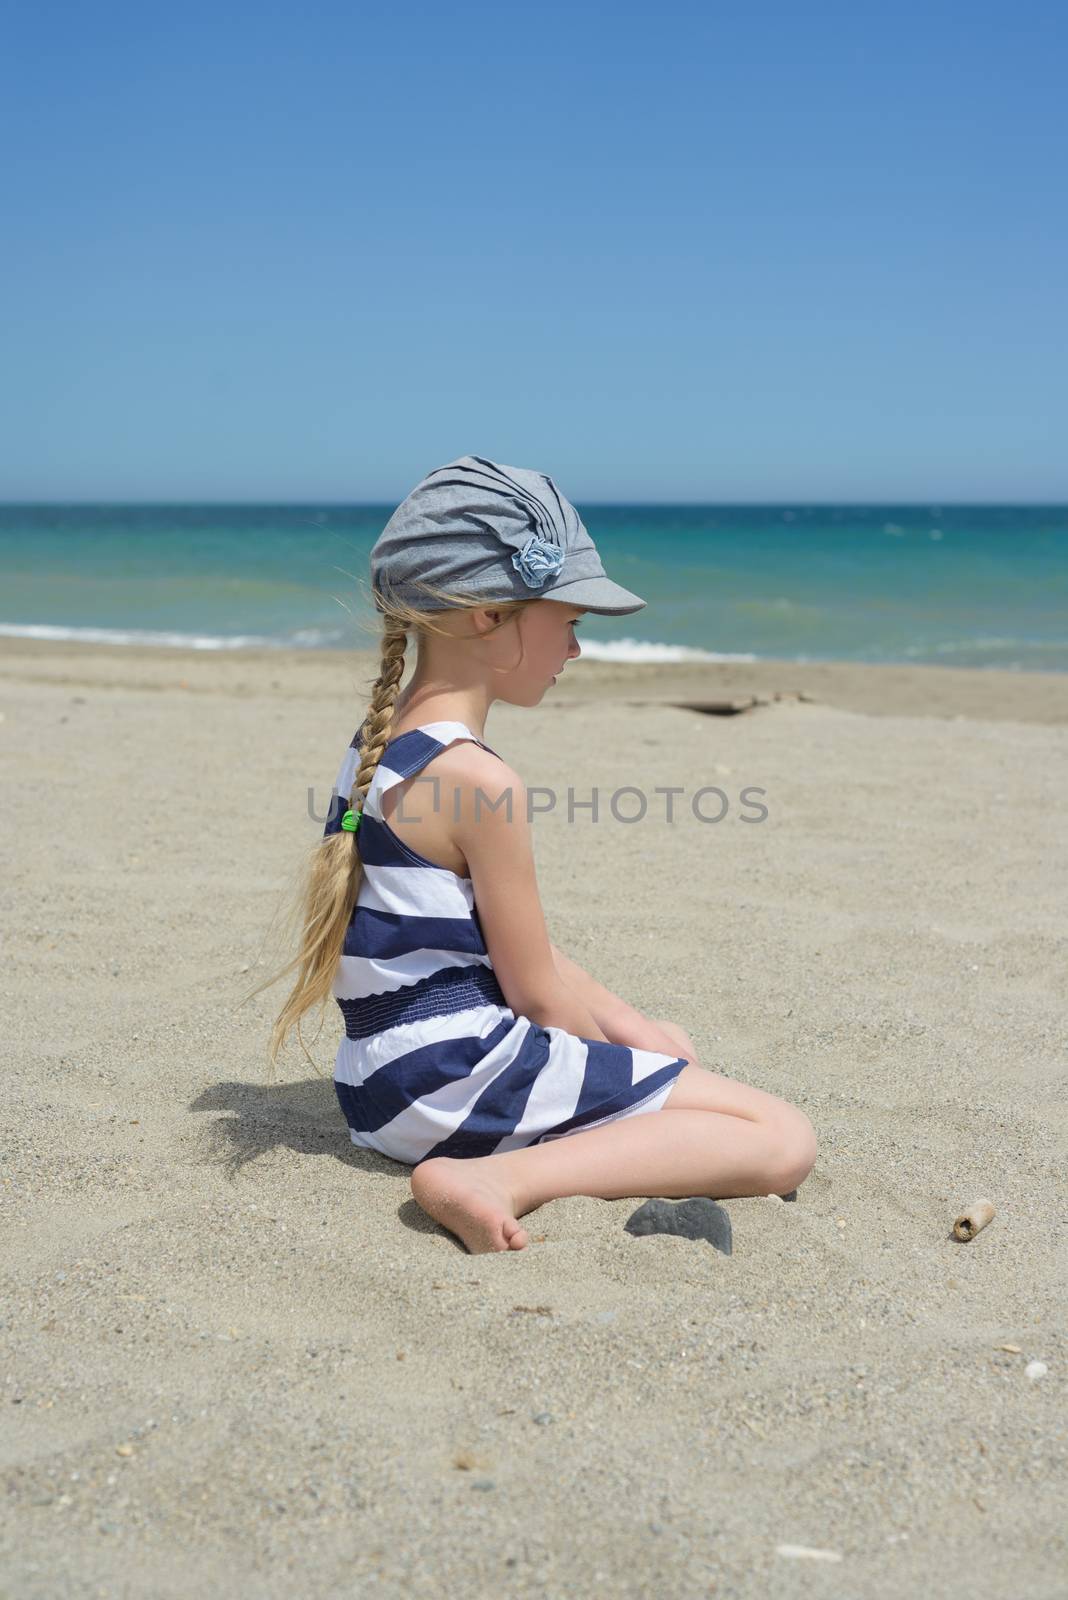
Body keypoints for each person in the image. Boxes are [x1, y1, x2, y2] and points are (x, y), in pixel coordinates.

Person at [264, 454, 817, 1254]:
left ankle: (510, 1152)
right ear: (489, 617)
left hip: (378, 1086)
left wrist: (631, 1027)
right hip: (459, 1081)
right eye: (570, 622)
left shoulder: (376, 745)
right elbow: (538, 1000)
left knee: (684, 1084)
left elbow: (493, 944)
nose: (576, 651)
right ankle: (498, 1179)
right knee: (779, 1136)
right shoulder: (482, 783)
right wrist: (622, 1068)